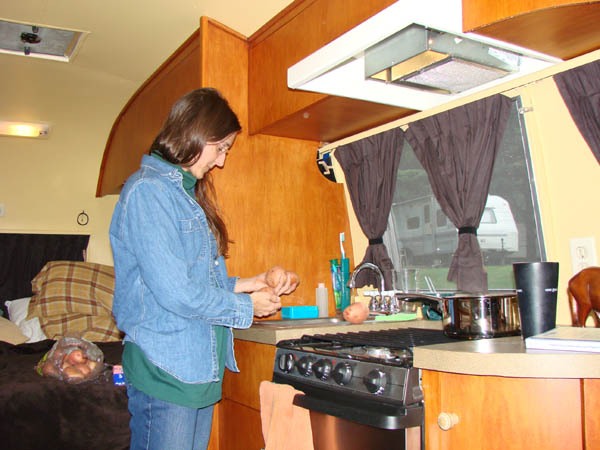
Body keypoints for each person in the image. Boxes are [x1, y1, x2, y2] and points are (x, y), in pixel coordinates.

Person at [109, 88, 296, 450]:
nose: (222, 161)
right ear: (195, 133)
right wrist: (247, 307)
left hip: (194, 369)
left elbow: (196, 282)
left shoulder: (182, 193)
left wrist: (248, 283)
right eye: (221, 147)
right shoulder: (148, 192)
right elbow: (176, 293)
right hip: (164, 369)